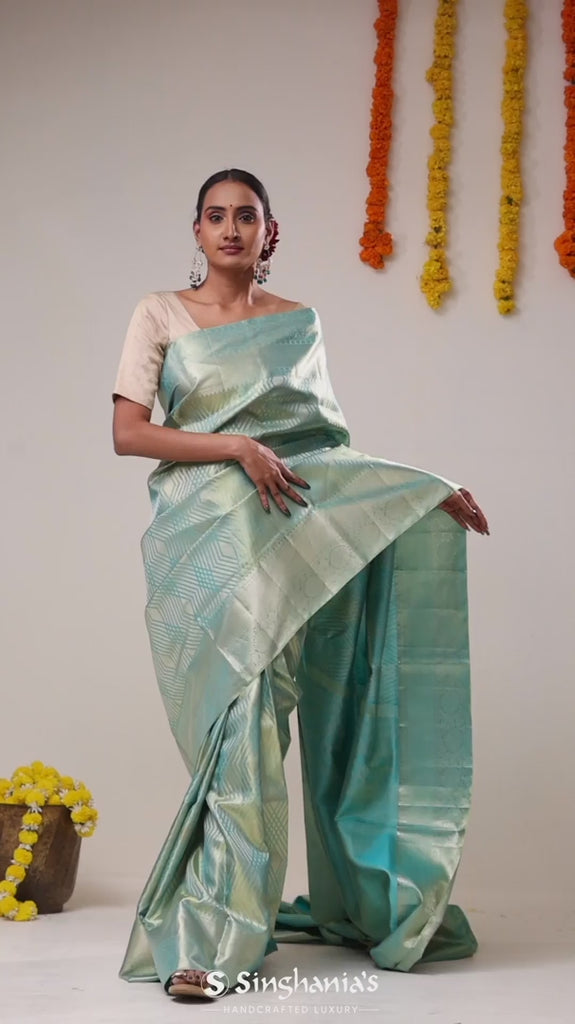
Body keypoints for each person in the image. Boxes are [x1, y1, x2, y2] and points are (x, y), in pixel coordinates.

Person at [112, 168, 489, 1001]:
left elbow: (325, 450)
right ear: (197, 230)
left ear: (268, 231)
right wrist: (237, 448)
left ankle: (224, 934)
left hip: (284, 538)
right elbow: (129, 433)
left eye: (245, 216)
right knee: (236, 727)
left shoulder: (298, 323)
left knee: (270, 716)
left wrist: (418, 487)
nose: (230, 228)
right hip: (203, 541)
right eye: (215, 216)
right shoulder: (160, 314)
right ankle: (216, 931)